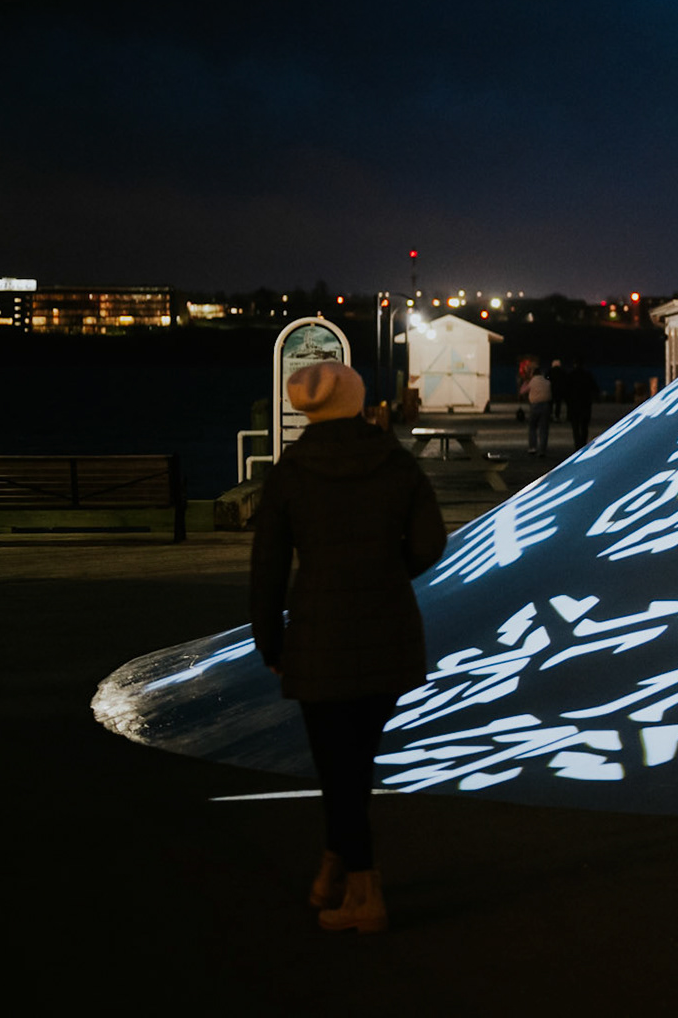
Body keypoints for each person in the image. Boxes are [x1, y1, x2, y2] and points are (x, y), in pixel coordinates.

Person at [249, 361, 446, 933]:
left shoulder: (291, 472)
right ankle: (337, 865)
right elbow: (430, 541)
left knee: (337, 765)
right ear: (358, 399)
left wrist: (270, 640)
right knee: (353, 760)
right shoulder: (396, 462)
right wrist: (387, 572)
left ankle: (364, 892)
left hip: (318, 634)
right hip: (389, 630)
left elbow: (267, 569)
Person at [562, 358, 601, 448]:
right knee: (584, 426)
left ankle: (577, 444)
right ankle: (583, 443)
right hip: (585, 404)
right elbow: (594, 387)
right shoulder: (587, 375)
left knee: (575, 427)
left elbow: (566, 390)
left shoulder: (570, 375)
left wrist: (568, 402)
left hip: (574, 404)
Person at [520, 362, 553, 457]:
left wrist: (525, 382)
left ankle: (532, 447)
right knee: (544, 429)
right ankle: (542, 450)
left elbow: (522, 391)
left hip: (535, 406)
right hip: (546, 406)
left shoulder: (532, 382)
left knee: (532, 427)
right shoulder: (547, 382)